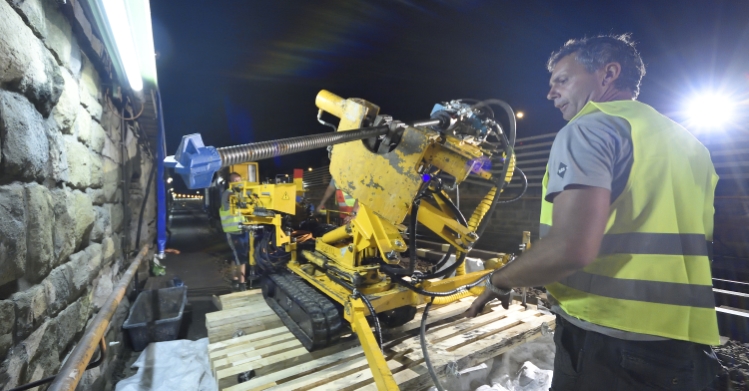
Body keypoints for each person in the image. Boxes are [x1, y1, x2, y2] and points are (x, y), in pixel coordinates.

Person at [465, 34, 722, 390]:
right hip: (684, 344)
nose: (550, 93)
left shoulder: (590, 128)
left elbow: (571, 248)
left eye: (562, 80)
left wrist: (499, 280)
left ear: (608, 74)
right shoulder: (691, 145)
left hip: (610, 344)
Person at [220, 172, 249, 291]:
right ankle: (242, 284)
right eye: (236, 181)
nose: (239, 183)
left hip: (243, 230)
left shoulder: (240, 194)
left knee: (235, 257)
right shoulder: (228, 194)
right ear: (230, 183)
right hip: (233, 232)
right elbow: (232, 197)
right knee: (241, 258)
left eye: (240, 181)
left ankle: (234, 279)